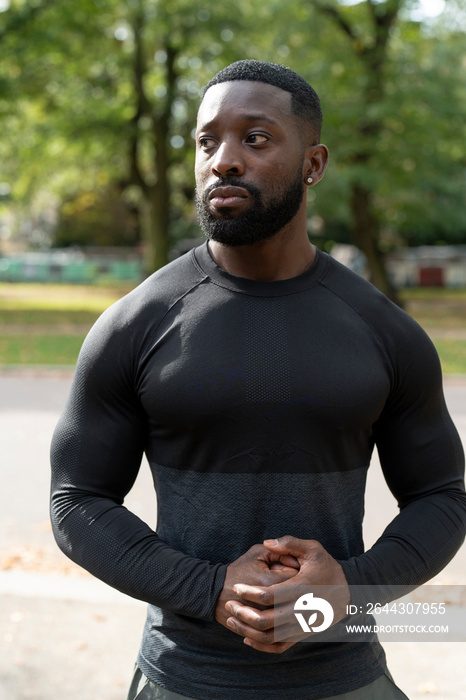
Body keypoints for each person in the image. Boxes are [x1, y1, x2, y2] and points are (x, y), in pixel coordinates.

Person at [50, 60, 466, 700]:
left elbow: (443, 495)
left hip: (344, 680)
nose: (223, 160)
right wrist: (210, 589)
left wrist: (348, 593)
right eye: (207, 140)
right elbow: (75, 501)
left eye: (256, 138)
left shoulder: (385, 331)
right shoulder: (134, 324)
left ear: (314, 164)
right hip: (181, 679)